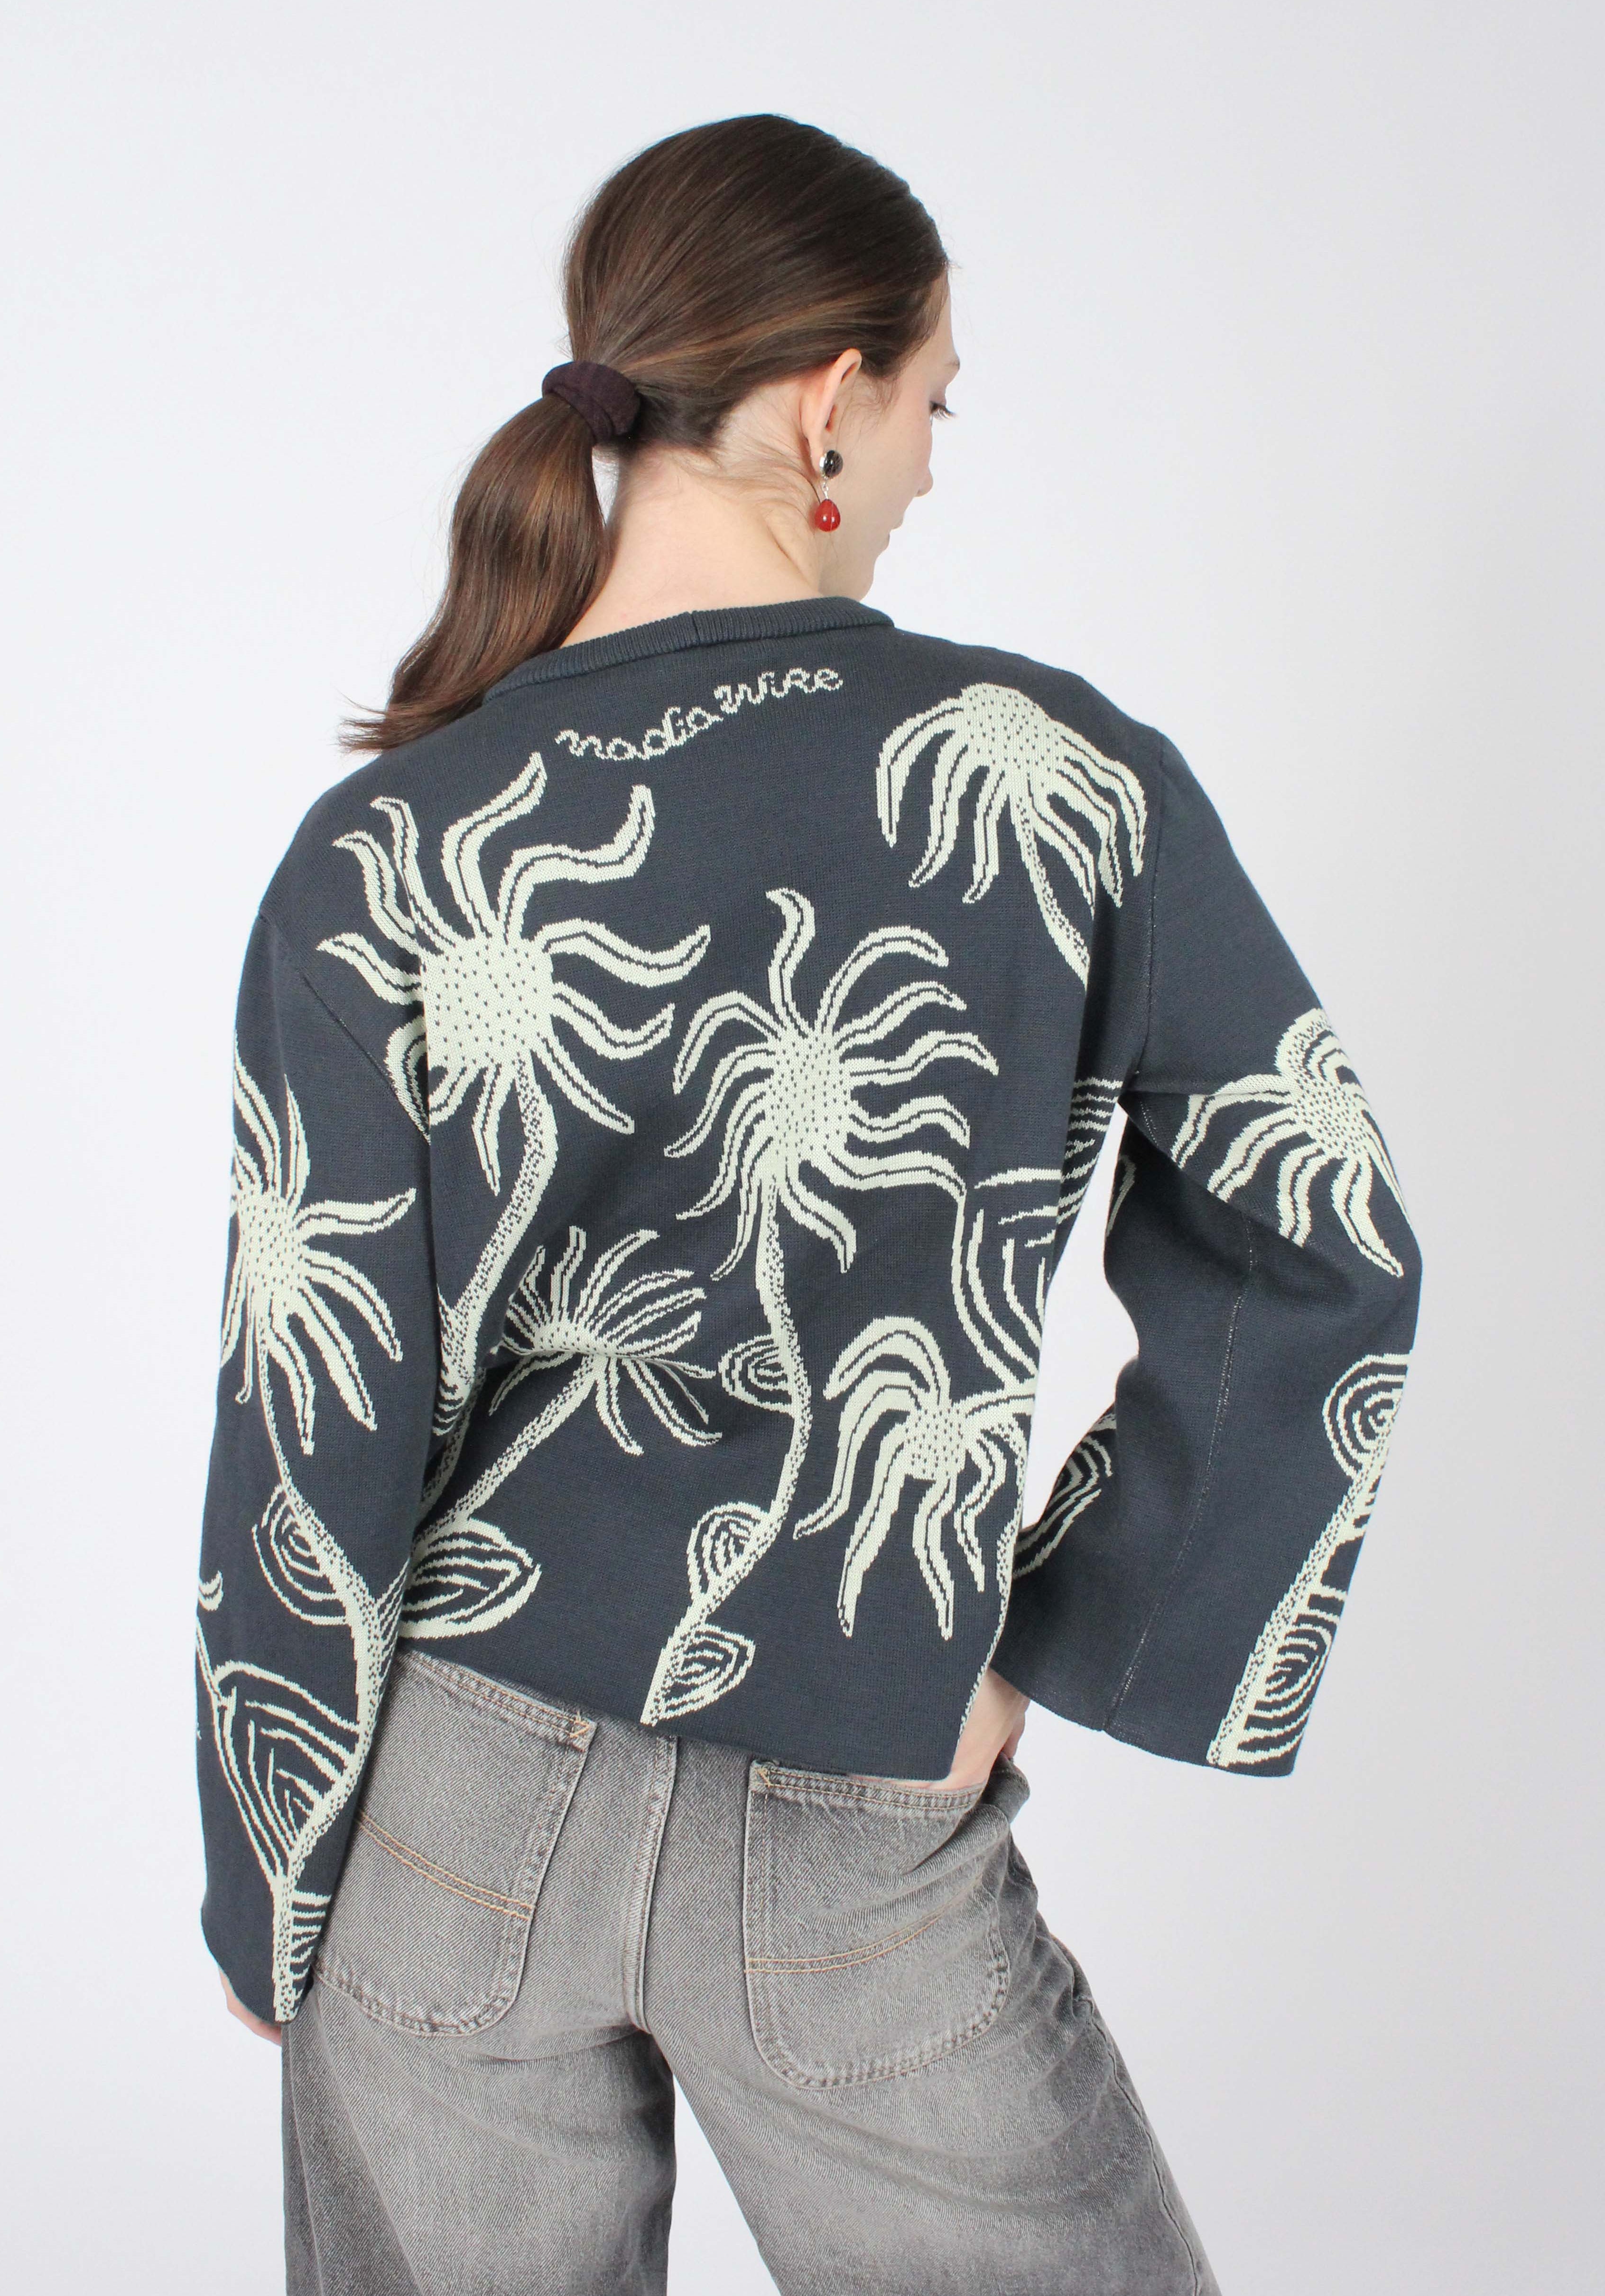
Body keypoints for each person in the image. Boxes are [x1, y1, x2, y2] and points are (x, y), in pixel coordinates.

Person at [195, 112, 1421, 2296]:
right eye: (940, 401)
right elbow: (1316, 1232)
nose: (934, 463)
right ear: (832, 401)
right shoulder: (1064, 780)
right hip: (854, 1766)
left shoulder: (392, 845)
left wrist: (266, 1874)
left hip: (445, 1797)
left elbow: (316, 1397)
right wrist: (1053, 1637)